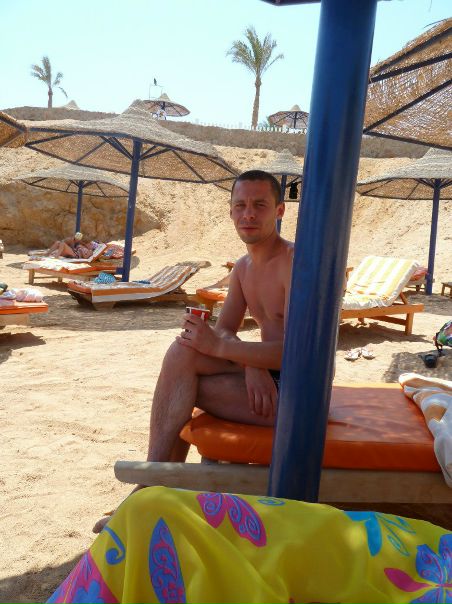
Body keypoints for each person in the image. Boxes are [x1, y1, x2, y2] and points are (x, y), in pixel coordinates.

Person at [93, 170, 293, 532]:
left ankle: (153, 488)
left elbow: (303, 354)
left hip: (296, 396)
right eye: (240, 205)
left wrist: (230, 350)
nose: (248, 213)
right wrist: (251, 364)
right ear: (230, 212)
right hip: (264, 377)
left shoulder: (295, 263)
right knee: (182, 351)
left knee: (182, 387)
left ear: (279, 210)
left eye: (260, 205)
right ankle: (154, 484)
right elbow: (226, 329)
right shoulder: (244, 268)